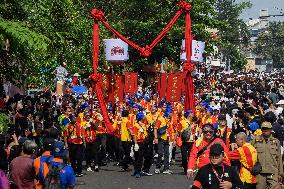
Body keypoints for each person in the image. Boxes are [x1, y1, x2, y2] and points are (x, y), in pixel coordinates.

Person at [252, 121, 284, 189]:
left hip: (273, 171)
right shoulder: (255, 140)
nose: (265, 130)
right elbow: (250, 154)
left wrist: (280, 173)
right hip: (260, 172)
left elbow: (279, 158)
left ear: (271, 129)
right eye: (263, 128)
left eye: (267, 128)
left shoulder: (276, 142)